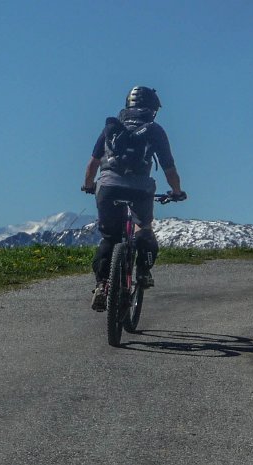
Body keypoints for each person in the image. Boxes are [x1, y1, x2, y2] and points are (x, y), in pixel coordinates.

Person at [82, 86, 187, 311]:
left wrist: (89, 185)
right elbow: (169, 168)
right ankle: (143, 272)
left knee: (109, 238)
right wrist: (177, 192)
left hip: (108, 187)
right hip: (140, 189)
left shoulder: (111, 128)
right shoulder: (155, 130)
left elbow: (92, 164)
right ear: (152, 109)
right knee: (144, 228)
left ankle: (102, 285)